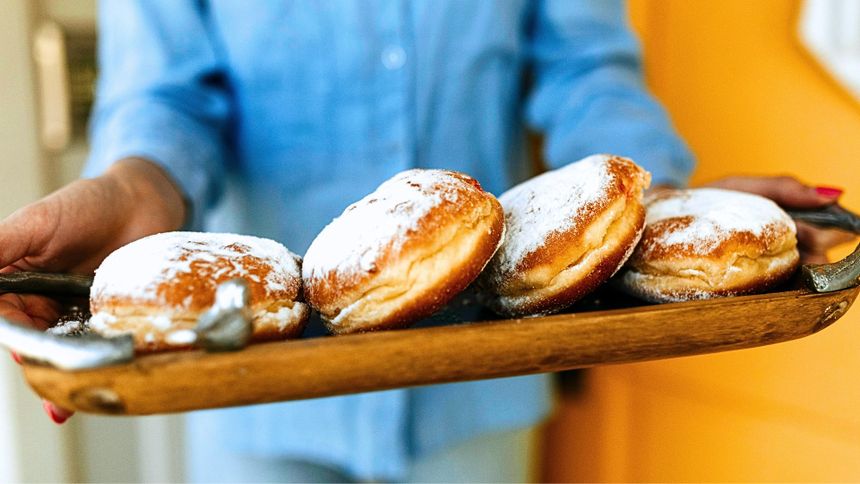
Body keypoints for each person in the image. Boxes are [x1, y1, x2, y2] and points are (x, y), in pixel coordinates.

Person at [0, 0, 854, 482]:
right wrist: (131, 187)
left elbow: (582, 67)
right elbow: (168, 96)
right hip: (251, 381)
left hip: (474, 383)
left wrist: (659, 201)